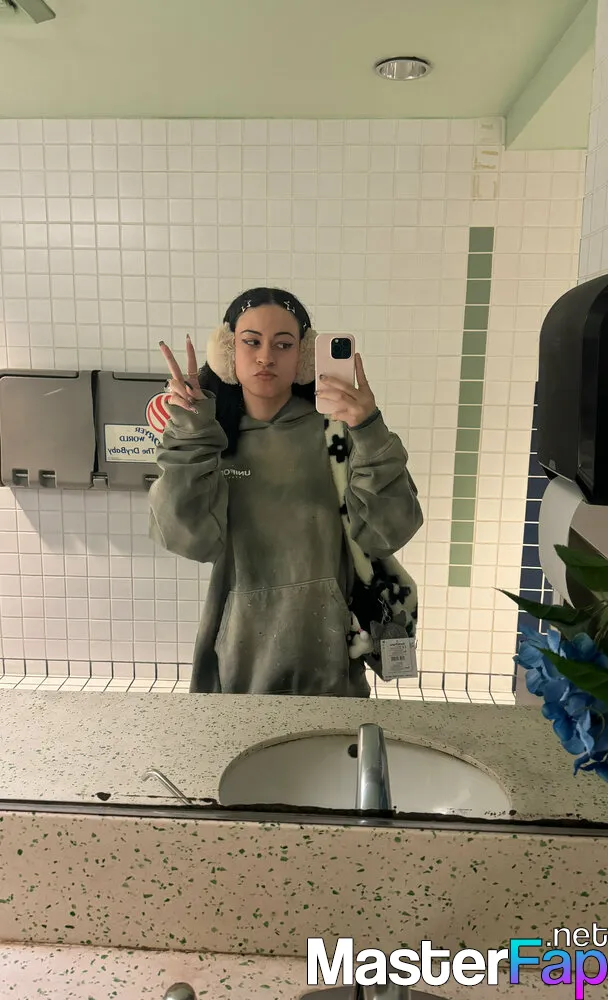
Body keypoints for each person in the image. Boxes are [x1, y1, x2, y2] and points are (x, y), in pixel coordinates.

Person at [149, 286, 423, 697]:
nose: (266, 357)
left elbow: (388, 532)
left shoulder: (337, 433)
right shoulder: (209, 439)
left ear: (304, 356)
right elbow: (189, 539)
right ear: (227, 352)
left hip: (330, 651)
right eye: (251, 342)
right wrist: (189, 435)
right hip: (240, 655)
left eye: (283, 344)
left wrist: (369, 430)